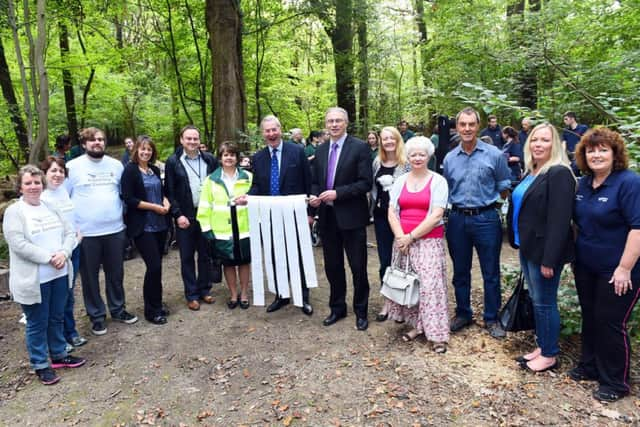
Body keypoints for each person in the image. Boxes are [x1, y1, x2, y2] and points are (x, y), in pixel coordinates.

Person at [571, 128, 640, 402]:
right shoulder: (584, 184)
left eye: (602, 150)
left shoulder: (629, 183)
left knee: (611, 321)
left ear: (615, 153)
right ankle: (589, 366)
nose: (596, 155)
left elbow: (637, 228)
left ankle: (615, 381)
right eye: (591, 150)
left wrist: (624, 268)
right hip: (586, 265)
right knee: (590, 315)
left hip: (619, 269)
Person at [3, 165, 85, 385]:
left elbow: (70, 233)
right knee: (37, 322)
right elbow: (18, 243)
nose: (33, 186)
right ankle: (40, 364)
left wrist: (64, 252)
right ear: (20, 186)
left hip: (58, 274)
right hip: (34, 279)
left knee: (56, 316)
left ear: (42, 184)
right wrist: (49, 257)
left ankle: (58, 354)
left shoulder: (50, 206)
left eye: (37, 182)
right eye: (28, 183)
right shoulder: (15, 212)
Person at [507, 123, 575, 372]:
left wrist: (550, 259)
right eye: (535, 140)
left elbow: (559, 221)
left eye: (545, 140)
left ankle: (549, 354)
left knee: (545, 302)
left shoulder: (559, 173)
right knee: (537, 300)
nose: (538, 144)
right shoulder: (534, 171)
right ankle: (542, 345)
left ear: (554, 144)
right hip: (528, 247)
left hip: (544, 252)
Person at [443, 107, 511, 339]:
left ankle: (492, 318)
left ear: (478, 125)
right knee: (460, 271)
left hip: (486, 219)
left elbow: (504, 186)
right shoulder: (450, 158)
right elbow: (447, 189)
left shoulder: (494, 154)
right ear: (457, 127)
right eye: (463, 124)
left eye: (471, 124)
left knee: (490, 271)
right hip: (458, 219)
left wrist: (490, 207)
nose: (467, 129)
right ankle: (463, 313)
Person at [66, 127, 138, 336]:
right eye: (92, 140)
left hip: (115, 230)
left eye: (100, 139)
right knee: (89, 277)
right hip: (86, 233)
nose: (97, 143)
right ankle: (96, 316)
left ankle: (118, 309)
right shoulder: (72, 167)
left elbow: (124, 193)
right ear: (84, 144)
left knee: (116, 273)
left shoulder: (116, 166)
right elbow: (64, 199)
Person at [383, 137, 450, 352]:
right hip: (403, 241)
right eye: (413, 154)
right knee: (410, 285)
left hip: (428, 240)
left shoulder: (438, 181)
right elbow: (392, 211)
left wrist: (411, 236)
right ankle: (418, 326)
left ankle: (437, 334)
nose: (417, 158)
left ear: (429, 156)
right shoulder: (400, 180)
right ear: (408, 157)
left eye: (422, 154)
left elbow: (436, 215)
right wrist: (401, 237)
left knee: (431, 287)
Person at [310, 107, 372, 331]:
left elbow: (366, 182)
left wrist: (339, 193)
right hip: (327, 218)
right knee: (333, 266)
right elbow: (316, 180)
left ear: (346, 123)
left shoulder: (360, 147)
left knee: (358, 266)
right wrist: (315, 196)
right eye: (330, 121)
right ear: (326, 124)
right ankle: (337, 308)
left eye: (338, 120)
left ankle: (361, 310)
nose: (334, 124)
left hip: (352, 217)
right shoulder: (320, 150)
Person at [248, 115, 314, 315]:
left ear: (280, 129)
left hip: (295, 214)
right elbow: (258, 186)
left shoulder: (297, 152)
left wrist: (311, 213)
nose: (271, 134)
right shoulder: (258, 158)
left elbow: (308, 182)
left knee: (299, 255)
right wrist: (247, 197)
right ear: (263, 134)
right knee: (275, 256)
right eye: (267, 131)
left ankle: (303, 297)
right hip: (270, 216)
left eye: (273, 130)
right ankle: (281, 295)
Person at [164, 125, 218, 311]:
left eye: (195, 138)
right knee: (187, 256)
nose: (192, 142)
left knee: (205, 254)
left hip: (206, 215)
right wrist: (177, 214)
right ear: (181, 140)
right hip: (185, 216)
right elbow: (169, 192)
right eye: (189, 139)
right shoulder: (173, 162)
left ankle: (205, 289)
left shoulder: (210, 159)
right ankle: (191, 294)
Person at [121, 136, 171, 325]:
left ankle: (157, 303)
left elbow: (162, 192)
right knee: (154, 266)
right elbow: (129, 199)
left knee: (157, 268)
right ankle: (152, 311)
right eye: (142, 149)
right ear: (136, 150)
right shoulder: (130, 171)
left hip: (160, 224)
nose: (145, 152)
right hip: (143, 227)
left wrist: (165, 203)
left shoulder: (155, 170)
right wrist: (153, 207)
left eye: (149, 149)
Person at [40, 157, 88, 352]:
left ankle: (70, 332)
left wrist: (77, 235)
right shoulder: (41, 197)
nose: (58, 175)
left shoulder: (63, 192)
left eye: (61, 171)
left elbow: (69, 218)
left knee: (68, 294)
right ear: (44, 173)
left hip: (72, 249)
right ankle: (57, 340)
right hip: (54, 256)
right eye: (53, 171)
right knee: (55, 299)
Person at [198, 142, 252, 310]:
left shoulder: (248, 177)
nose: (229, 158)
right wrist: (206, 228)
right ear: (220, 158)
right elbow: (204, 205)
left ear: (237, 158)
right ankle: (233, 294)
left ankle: (244, 293)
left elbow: (256, 200)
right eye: (225, 155)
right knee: (228, 264)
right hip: (222, 230)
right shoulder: (211, 180)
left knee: (244, 262)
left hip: (244, 228)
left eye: (232, 155)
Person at [369, 127, 410, 321]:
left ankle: (405, 303)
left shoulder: (407, 162)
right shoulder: (377, 162)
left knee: (403, 258)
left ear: (398, 140)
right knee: (385, 260)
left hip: (404, 217)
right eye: (384, 139)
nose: (388, 142)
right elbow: (372, 188)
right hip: (381, 216)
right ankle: (387, 303)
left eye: (391, 138)